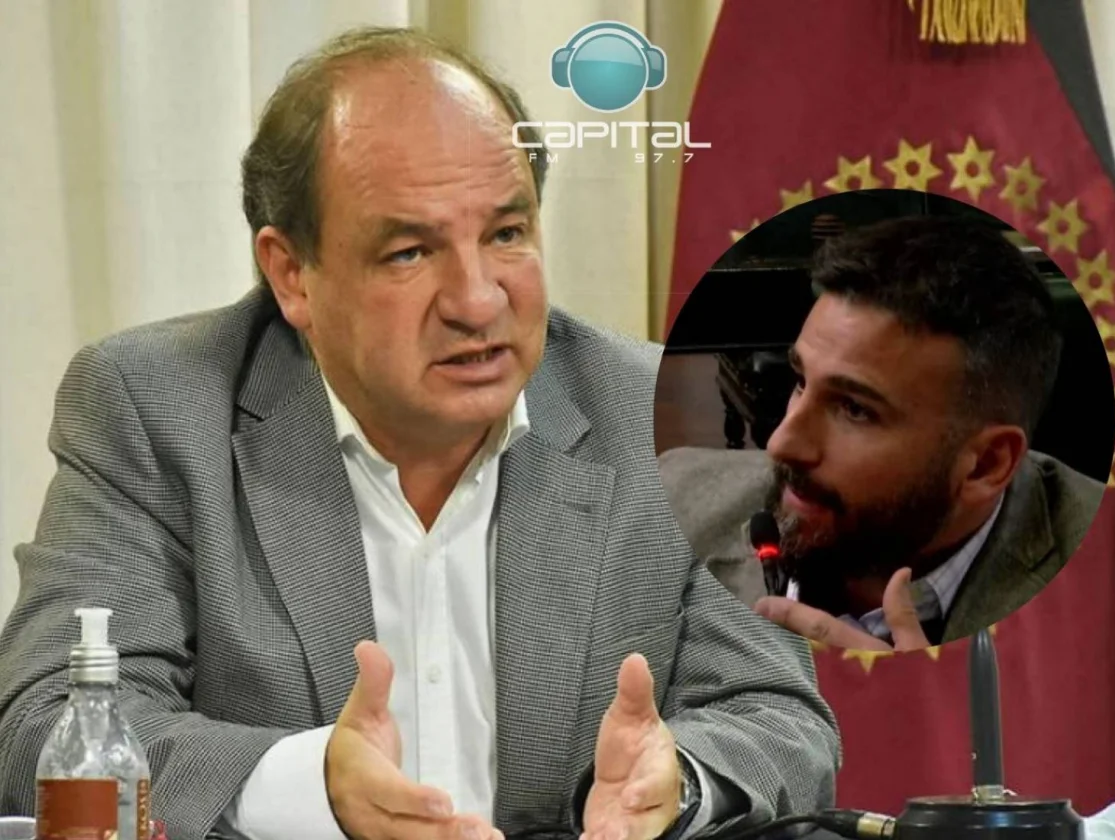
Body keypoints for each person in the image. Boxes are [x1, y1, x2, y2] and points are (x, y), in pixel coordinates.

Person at [0, 26, 839, 840]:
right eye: (409, 252)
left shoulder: (673, 416)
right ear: (291, 273)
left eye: (506, 234)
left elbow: (777, 717)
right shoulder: (156, 409)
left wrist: (676, 782)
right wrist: (309, 787)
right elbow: (48, 723)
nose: (477, 300)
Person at [660, 216, 1106, 651]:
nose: (780, 444)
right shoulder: (672, 499)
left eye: (855, 410)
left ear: (985, 465)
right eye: (800, 381)